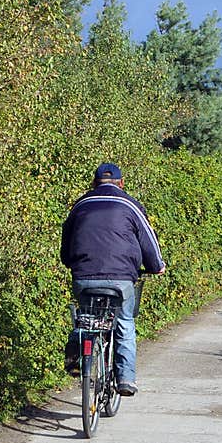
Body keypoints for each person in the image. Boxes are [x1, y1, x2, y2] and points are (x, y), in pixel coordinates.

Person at [60, 162, 166, 396]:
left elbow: (65, 244)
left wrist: (72, 263)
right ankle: (126, 379)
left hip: (84, 277)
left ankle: (77, 353)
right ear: (122, 183)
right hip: (120, 279)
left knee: (86, 318)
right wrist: (156, 266)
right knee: (124, 322)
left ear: (93, 183)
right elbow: (148, 240)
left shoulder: (80, 205)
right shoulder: (130, 204)